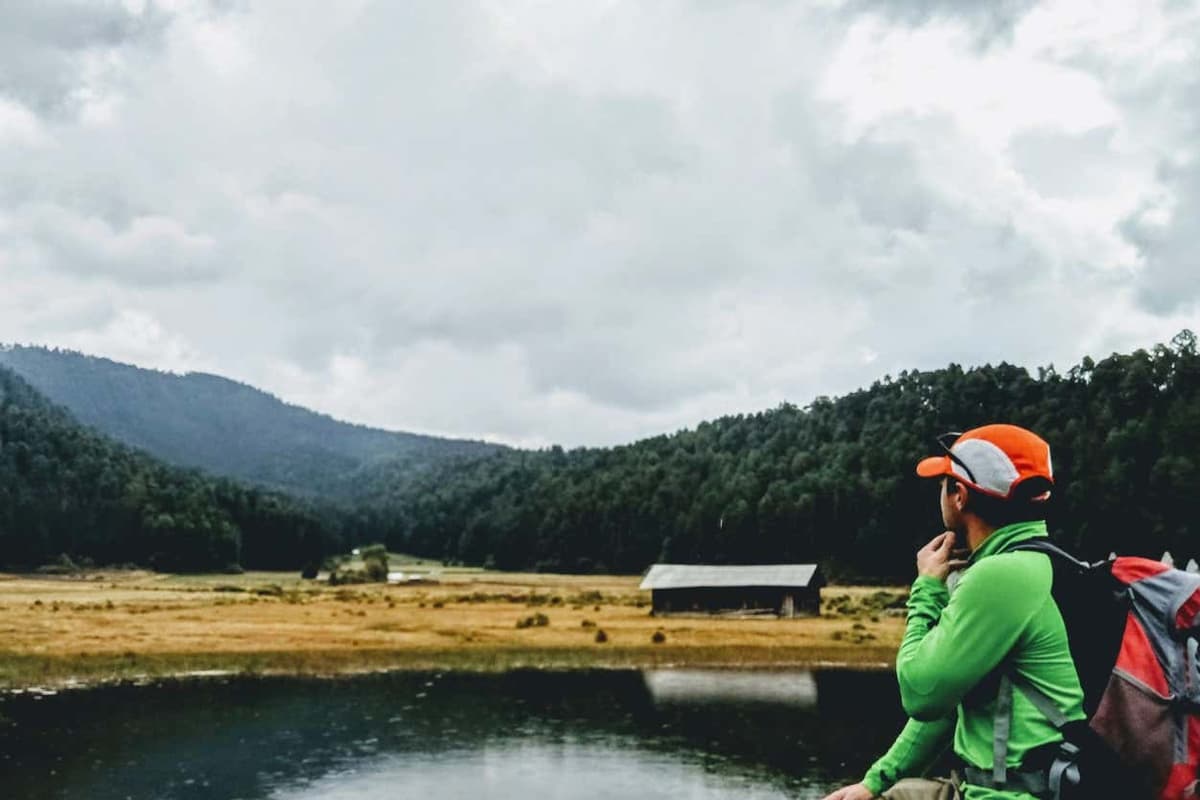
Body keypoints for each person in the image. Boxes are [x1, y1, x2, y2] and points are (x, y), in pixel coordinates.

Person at [822, 424, 1085, 800]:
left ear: (959, 495)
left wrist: (927, 588)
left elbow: (921, 693)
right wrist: (873, 782)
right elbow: (947, 704)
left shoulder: (1000, 576)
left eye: (944, 481)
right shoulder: (1041, 565)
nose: (940, 492)